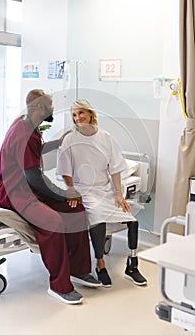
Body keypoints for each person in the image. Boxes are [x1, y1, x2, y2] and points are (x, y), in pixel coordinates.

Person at [0, 89, 101, 305]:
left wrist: (58, 143)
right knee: (53, 221)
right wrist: (64, 193)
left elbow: (35, 151)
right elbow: (34, 178)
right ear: (40, 108)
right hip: (12, 192)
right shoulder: (22, 132)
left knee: (77, 209)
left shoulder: (29, 126)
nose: (53, 107)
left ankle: (78, 270)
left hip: (27, 187)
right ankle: (59, 285)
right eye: (50, 104)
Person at [57, 99, 147, 287]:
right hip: (85, 191)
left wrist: (119, 194)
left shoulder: (105, 137)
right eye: (74, 115)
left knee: (132, 220)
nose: (77, 118)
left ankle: (132, 265)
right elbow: (65, 170)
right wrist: (72, 190)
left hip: (105, 190)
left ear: (90, 113)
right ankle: (100, 264)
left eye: (81, 113)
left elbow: (115, 168)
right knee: (97, 218)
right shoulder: (70, 139)